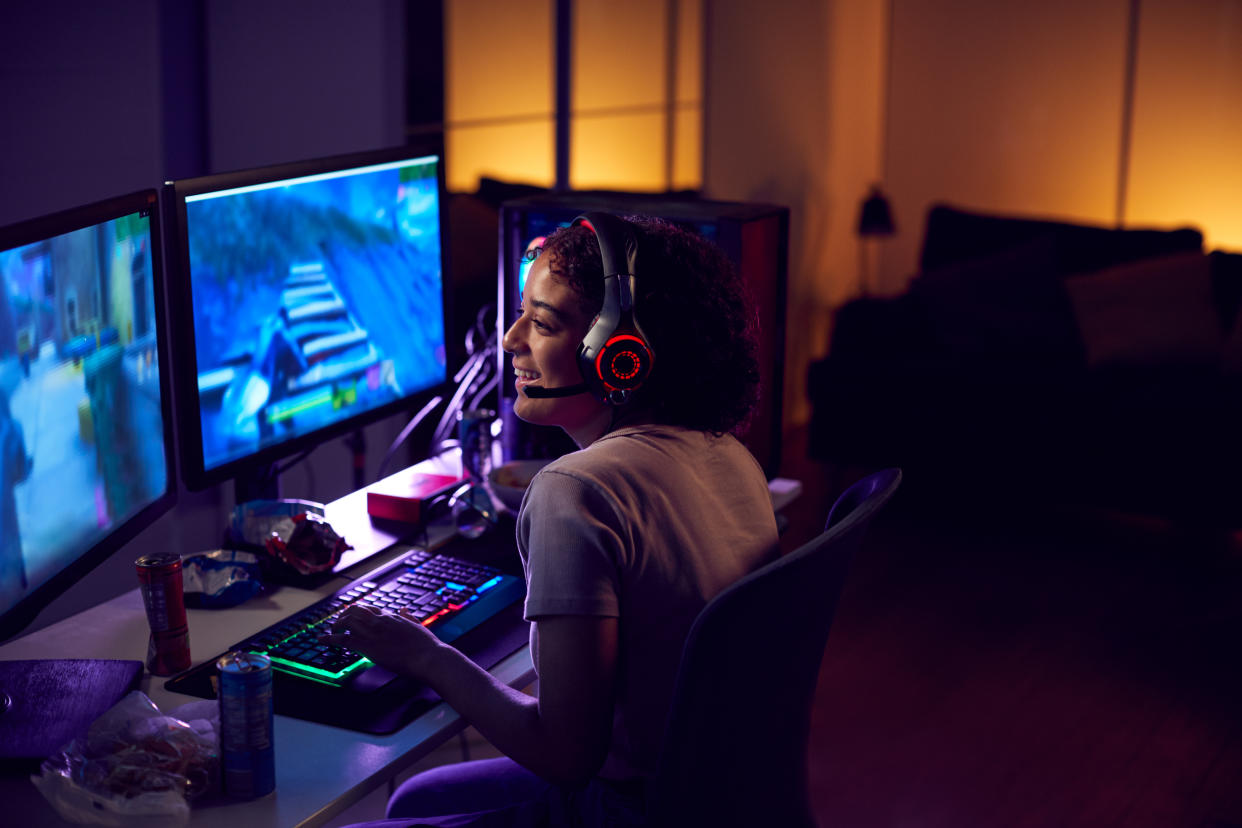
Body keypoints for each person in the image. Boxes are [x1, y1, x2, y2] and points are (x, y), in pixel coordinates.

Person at [328, 214, 779, 827]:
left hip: (625, 810)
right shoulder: (731, 455)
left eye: (541, 323)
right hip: (715, 796)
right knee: (417, 799)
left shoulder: (576, 490)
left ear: (621, 356)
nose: (511, 339)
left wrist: (426, 655)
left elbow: (565, 756)